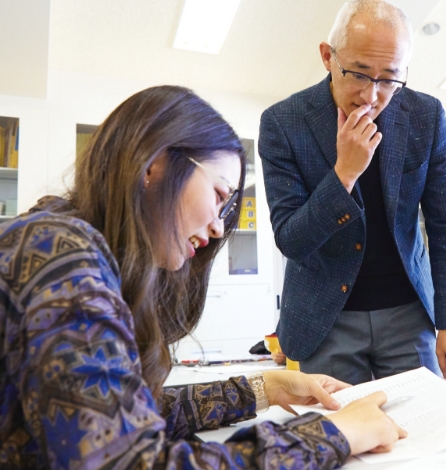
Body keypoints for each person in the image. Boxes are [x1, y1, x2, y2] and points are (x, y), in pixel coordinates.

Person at [0, 85, 406, 469]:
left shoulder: (58, 242)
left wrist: (263, 388)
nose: (217, 227)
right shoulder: (60, 256)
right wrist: (333, 434)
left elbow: (121, 413)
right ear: (154, 164)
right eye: (218, 194)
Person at [259, 0, 446, 385]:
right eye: (359, 74)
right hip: (325, 316)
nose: (371, 95)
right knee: (340, 436)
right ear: (327, 57)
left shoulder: (426, 116)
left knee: (425, 428)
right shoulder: (283, 123)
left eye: (389, 78)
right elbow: (292, 240)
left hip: (408, 311)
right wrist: (344, 174)